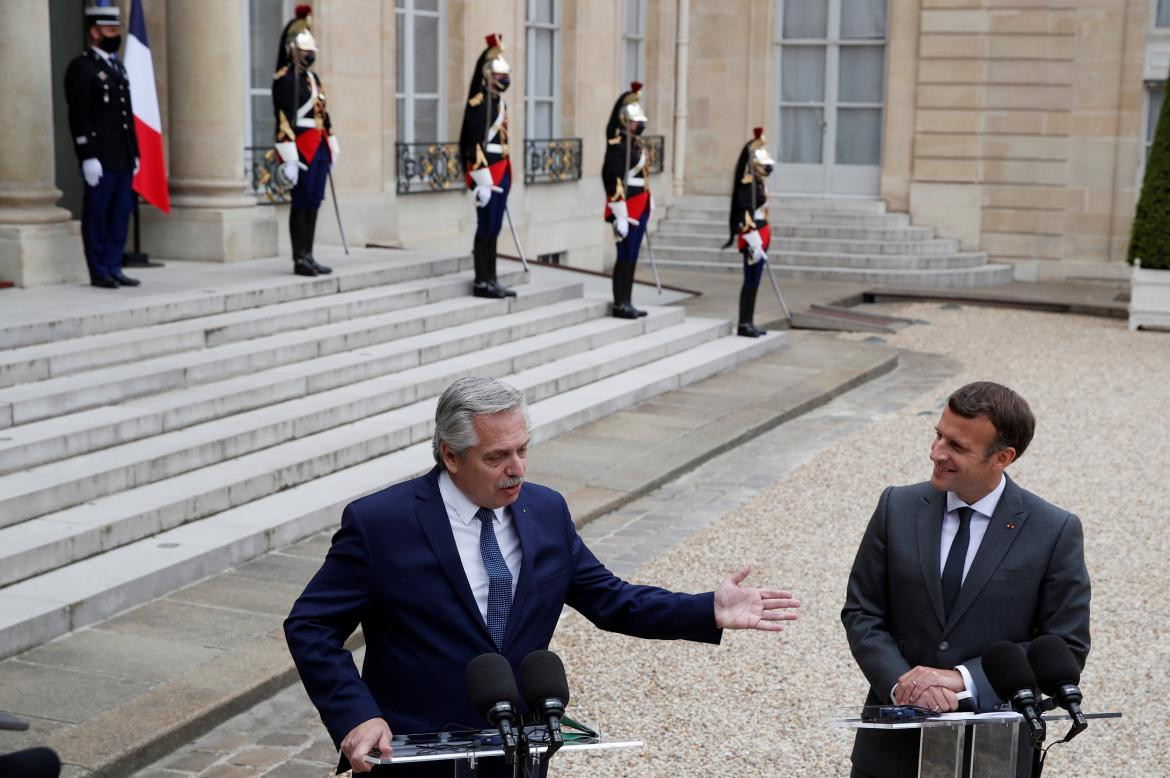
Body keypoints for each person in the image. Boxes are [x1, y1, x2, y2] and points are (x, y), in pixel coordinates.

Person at [285, 377, 801, 775]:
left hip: (517, 756)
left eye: (523, 449)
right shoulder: (380, 524)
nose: (517, 468)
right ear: (450, 454)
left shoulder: (546, 511)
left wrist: (705, 608)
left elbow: (611, 599)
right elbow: (310, 626)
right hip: (414, 757)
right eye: (497, 457)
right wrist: (356, 714)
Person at [841, 381, 1091, 778]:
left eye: (956, 447)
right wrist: (902, 685)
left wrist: (960, 678)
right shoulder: (896, 506)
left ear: (1002, 457)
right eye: (939, 435)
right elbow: (862, 612)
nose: (936, 452)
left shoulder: (1054, 530)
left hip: (994, 754)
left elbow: (1065, 644)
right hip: (889, 754)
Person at [64, 2, 140, 289]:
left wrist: (135, 153)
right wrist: (87, 156)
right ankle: (98, 270)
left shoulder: (117, 67)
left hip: (121, 154)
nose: (114, 34)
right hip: (100, 155)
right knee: (97, 214)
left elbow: (126, 115)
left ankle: (113, 264)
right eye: (110, 29)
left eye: (116, 29)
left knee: (120, 213)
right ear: (95, 33)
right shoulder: (82, 68)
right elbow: (79, 115)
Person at [272, 4, 337, 277]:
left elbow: (323, 111)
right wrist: (288, 156)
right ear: (293, 50)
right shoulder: (285, 79)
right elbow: (283, 119)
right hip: (301, 146)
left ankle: (309, 253)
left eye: (312, 50)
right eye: (304, 50)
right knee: (301, 201)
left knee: (314, 200)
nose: (309, 55)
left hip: (319, 143)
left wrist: (332, 139)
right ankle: (299, 257)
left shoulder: (313, 78)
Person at [459, 35, 516, 299]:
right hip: (487, 172)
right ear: (488, 75)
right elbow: (473, 143)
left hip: (501, 169)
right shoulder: (479, 102)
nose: (504, 79)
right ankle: (481, 281)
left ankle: (492, 278)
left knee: (495, 227)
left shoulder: (500, 103)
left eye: (505, 74)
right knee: (485, 227)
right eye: (500, 75)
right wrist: (480, 180)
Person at [602, 82, 653, 319]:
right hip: (626, 207)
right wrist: (619, 214)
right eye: (635, 121)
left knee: (632, 255)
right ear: (624, 120)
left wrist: (647, 196)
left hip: (639, 204)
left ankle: (628, 300)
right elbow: (612, 180)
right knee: (624, 256)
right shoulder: (618, 146)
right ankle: (620, 302)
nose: (639, 125)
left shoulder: (634, 144)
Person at [722, 128, 776, 338]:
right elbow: (745, 211)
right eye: (763, 165)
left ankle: (750, 320)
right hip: (753, 234)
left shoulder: (759, 183)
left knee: (756, 281)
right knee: (749, 280)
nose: (767, 168)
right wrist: (752, 238)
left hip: (763, 232)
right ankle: (744, 322)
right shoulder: (748, 183)